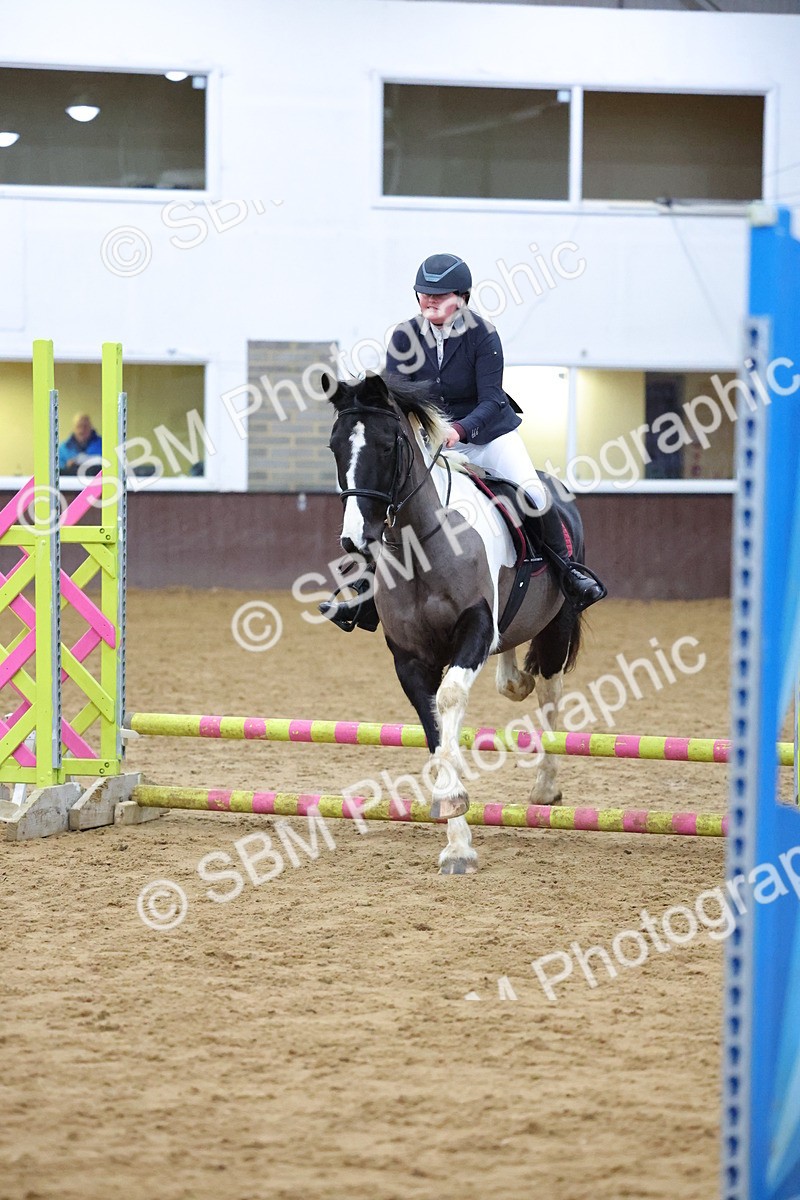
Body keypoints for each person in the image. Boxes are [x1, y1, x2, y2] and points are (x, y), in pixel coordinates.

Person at [320, 252, 606, 632]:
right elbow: (392, 396)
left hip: (487, 436)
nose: (429, 300)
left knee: (534, 495)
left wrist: (461, 431)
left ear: (462, 297)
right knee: (393, 499)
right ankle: (365, 593)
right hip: (429, 441)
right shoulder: (405, 336)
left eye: (440, 294)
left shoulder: (482, 335)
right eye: (424, 293)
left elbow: (492, 399)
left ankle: (569, 575)